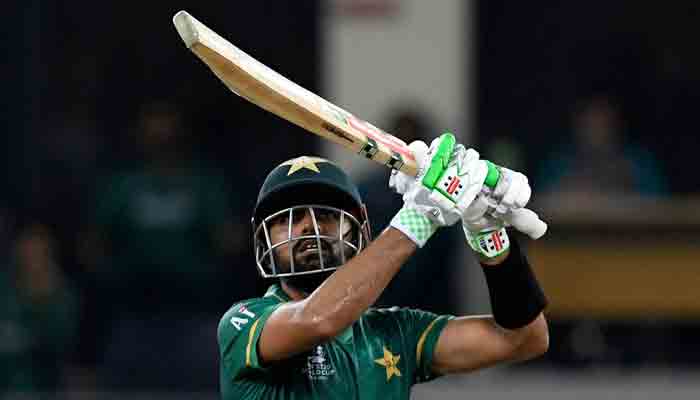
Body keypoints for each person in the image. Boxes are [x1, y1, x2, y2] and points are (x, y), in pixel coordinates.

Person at [218, 134, 549, 399]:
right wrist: (419, 216)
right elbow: (317, 320)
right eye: (290, 219)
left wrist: (487, 233)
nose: (310, 227)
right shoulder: (243, 322)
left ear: (358, 231)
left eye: (327, 216)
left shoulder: (395, 333)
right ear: (263, 240)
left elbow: (526, 339)